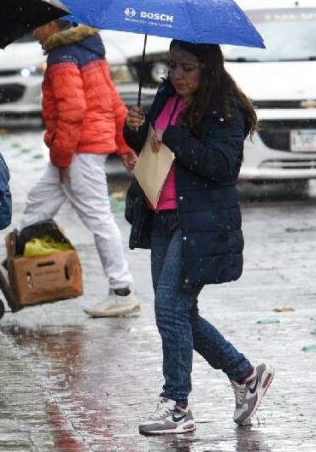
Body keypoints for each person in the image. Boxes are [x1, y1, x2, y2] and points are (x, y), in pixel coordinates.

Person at [123, 40, 273, 436]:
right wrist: (134, 129)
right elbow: (151, 149)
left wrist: (175, 136)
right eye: (172, 67)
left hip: (200, 224)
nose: (177, 75)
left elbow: (222, 166)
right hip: (163, 218)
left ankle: (177, 405)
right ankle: (244, 375)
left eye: (187, 68)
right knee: (179, 313)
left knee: (170, 310)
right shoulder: (167, 96)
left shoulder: (225, 109)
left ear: (207, 68)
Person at [0, 20, 140, 318]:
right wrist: (123, 147)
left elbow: (72, 112)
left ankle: (122, 291)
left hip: (78, 150)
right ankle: (8, 267)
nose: (34, 31)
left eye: (39, 24)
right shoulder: (90, 51)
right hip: (82, 149)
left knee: (98, 219)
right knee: (38, 204)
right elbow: (112, 103)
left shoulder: (62, 58)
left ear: (55, 24)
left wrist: (61, 158)